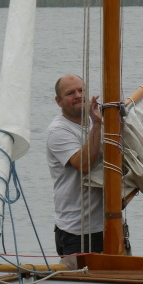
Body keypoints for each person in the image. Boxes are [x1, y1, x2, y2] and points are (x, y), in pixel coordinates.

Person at [46, 74, 104, 256]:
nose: (78, 96)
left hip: (108, 225)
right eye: (70, 93)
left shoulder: (100, 120)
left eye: (81, 90)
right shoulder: (58, 131)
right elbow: (84, 165)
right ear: (59, 101)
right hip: (77, 232)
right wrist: (97, 125)